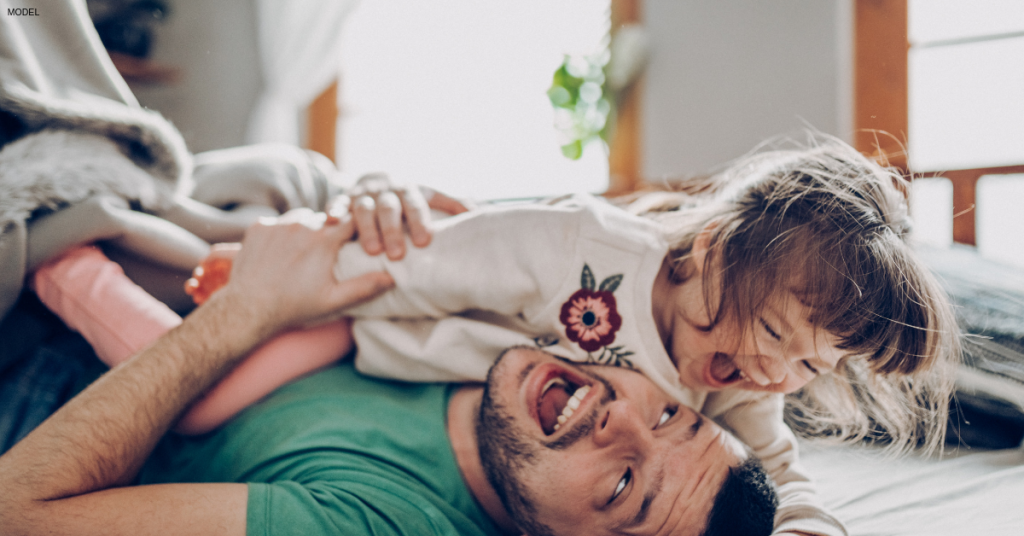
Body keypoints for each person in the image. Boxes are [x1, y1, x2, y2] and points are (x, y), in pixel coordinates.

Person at [29, 135, 962, 536]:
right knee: (220, 307)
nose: (772, 374)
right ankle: (92, 258)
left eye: (806, 365)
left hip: (379, 352)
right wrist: (296, 281)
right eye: (772, 335)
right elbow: (443, 261)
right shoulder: (583, 249)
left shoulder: (740, 388)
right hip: (370, 315)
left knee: (208, 405)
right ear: (713, 250)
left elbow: (782, 474)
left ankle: (80, 279)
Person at [0, 213, 780, 536]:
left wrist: (250, 313)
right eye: (675, 417)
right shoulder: (556, 324)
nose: (624, 422)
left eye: (620, 489)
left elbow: (17, 511)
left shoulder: (381, 522)